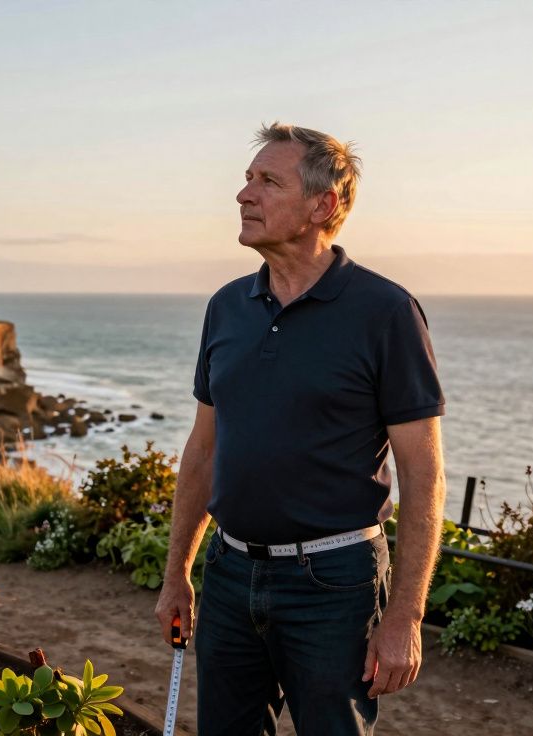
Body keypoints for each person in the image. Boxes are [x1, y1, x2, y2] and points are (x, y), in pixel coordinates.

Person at [154, 122, 446, 735]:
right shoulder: (226, 306)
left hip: (334, 585)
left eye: (267, 181)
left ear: (323, 205)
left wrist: (405, 618)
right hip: (229, 574)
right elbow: (203, 450)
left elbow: (424, 476)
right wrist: (177, 572)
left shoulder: (386, 312)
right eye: (246, 179)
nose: (243, 195)